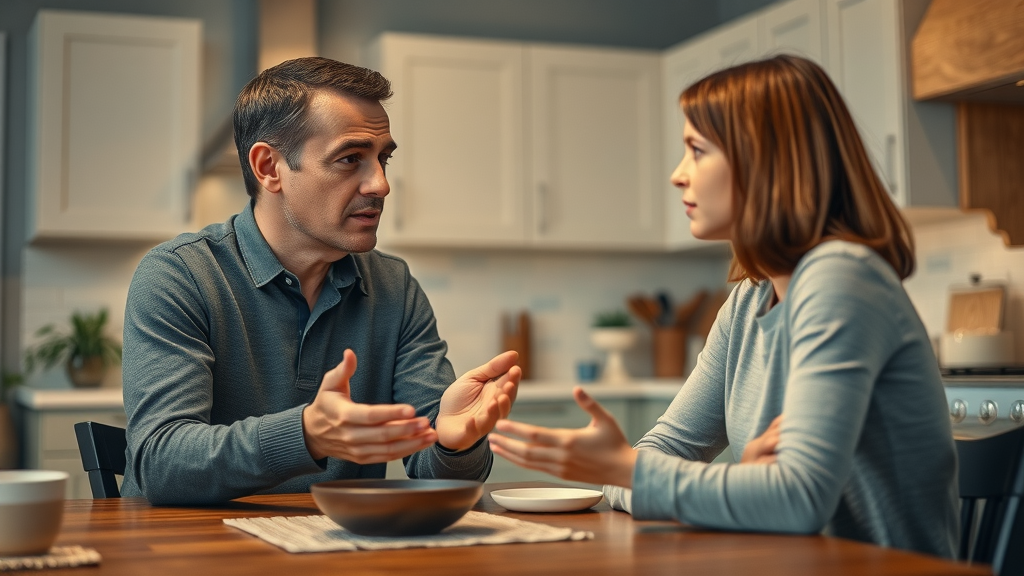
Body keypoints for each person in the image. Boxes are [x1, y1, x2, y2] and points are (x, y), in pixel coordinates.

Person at [488, 54, 958, 558]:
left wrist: (625, 469)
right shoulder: (748, 302)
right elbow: (660, 453)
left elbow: (796, 500)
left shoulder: (841, 277)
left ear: (766, 161)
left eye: (697, 150)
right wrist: (739, 481)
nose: (678, 175)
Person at [121, 57, 521, 505]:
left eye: (383, 159)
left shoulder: (394, 287)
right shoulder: (179, 275)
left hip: (339, 539)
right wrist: (306, 433)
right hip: (189, 542)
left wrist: (454, 445)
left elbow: (441, 478)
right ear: (269, 167)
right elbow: (161, 463)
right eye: (350, 159)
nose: (381, 184)